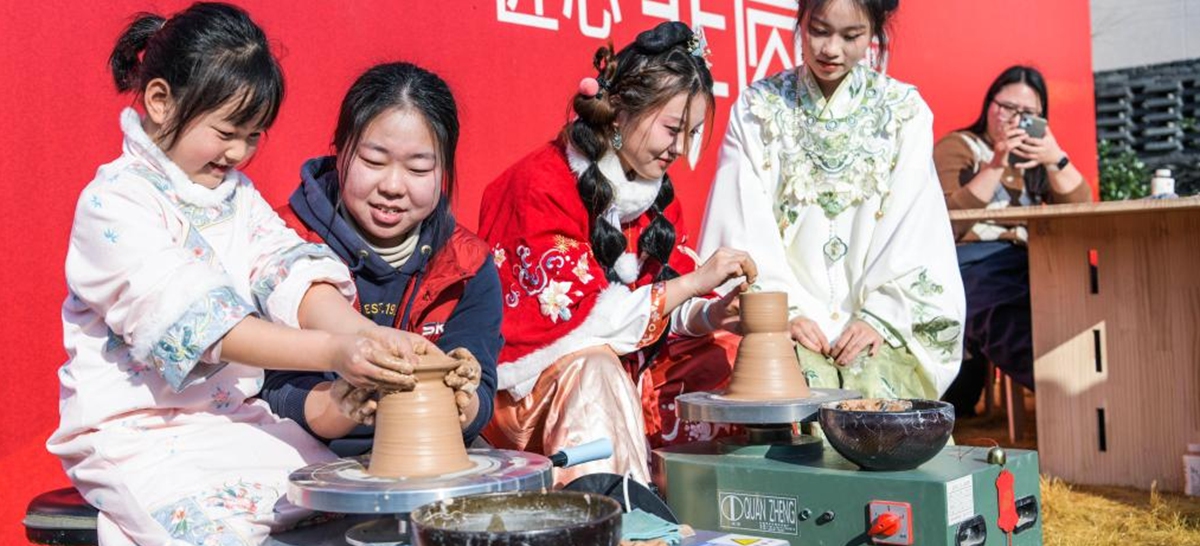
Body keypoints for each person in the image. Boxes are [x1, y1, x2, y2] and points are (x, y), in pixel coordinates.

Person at [45, 5, 421, 546]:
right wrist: (336, 351)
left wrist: (363, 338)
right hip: (134, 433)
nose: (241, 154)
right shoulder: (114, 205)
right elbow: (210, 329)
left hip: (226, 420)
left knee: (334, 510)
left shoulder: (233, 198)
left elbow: (289, 273)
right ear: (160, 102)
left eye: (254, 136)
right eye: (228, 131)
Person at [480, 21, 757, 487]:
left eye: (691, 134)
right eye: (672, 129)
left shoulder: (656, 193)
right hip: (532, 396)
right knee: (596, 369)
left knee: (724, 359)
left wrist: (713, 317)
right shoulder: (539, 183)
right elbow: (585, 323)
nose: (680, 149)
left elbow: (658, 308)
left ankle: (716, 515)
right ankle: (613, 526)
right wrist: (691, 284)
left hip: (624, 373)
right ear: (623, 110)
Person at [699, 0, 965, 402]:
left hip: (879, 320)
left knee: (878, 400)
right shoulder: (758, 109)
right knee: (782, 387)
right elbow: (742, 223)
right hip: (785, 320)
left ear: (875, 32)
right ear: (800, 19)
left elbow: (915, 230)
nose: (831, 50)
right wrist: (781, 315)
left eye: (851, 36)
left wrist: (881, 317)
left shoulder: (904, 112)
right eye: (819, 31)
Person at [261, 62, 501, 454]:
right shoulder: (276, 242)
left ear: (444, 170)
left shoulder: (468, 265)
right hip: (298, 453)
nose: (392, 186)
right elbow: (267, 387)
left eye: (418, 168)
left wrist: (461, 396)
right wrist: (344, 404)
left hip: (435, 451)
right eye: (373, 161)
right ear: (339, 151)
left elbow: (481, 395)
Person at [933, 65, 1092, 415]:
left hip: (1033, 259)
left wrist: (1056, 160)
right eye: (1007, 107)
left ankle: (1109, 379)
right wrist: (996, 163)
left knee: (1094, 286)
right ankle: (1072, 395)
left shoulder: (1038, 158)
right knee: (1002, 308)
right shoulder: (959, 146)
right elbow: (945, 223)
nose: (1014, 118)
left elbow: (1082, 211)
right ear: (989, 104)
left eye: (1028, 114)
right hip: (976, 258)